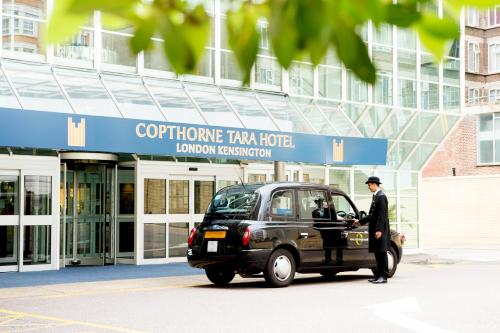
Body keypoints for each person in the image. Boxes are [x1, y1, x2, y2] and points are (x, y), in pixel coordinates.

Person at [353, 176, 390, 284]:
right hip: (375, 229)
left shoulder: (381, 196)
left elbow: (381, 216)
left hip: (379, 230)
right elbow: (372, 215)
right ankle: (378, 275)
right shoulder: (376, 196)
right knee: (377, 253)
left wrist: (379, 230)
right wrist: (360, 222)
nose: (369, 187)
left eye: (369, 185)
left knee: (382, 253)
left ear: (375, 184)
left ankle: (383, 276)